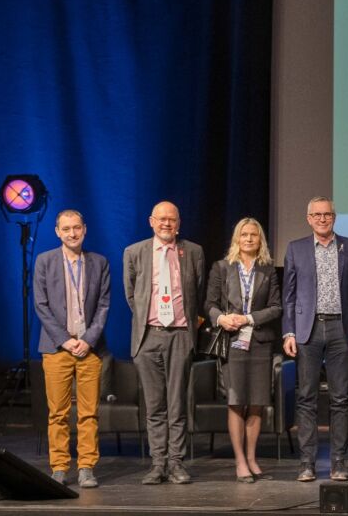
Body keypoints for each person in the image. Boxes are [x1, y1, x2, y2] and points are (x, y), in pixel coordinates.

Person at [123, 201, 206, 484]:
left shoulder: (193, 251)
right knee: (155, 404)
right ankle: (158, 464)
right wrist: (152, 320)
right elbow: (132, 296)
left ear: (178, 223)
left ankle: (177, 463)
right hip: (149, 336)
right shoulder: (134, 252)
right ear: (151, 221)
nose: (166, 224)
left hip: (181, 335)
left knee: (177, 403)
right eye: (161, 219)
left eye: (171, 219)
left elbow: (198, 290)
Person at [282, 196, 348, 482]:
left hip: (342, 329)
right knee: (307, 398)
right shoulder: (295, 249)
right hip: (308, 329)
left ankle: (339, 462)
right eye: (316, 215)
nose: (322, 219)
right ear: (308, 218)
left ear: (334, 217)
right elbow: (288, 296)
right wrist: (289, 331)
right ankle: (307, 463)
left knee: (340, 398)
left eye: (327, 214)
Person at [34, 209, 111, 488]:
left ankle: (87, 466)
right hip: (56, 349)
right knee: (58, 412)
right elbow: (41, 305)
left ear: (84, 229)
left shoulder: (99, 262)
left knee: (89, 412)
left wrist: (87, 340)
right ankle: (59, 467)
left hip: (90, 349)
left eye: (76, 227)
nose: (72, 233)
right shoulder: (44, 261)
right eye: (66, 229)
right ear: (57, 232)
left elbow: (103, 306)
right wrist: (65, 340)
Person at [206, 218, 283, 483]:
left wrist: (249, 318)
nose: (249, 239)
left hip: (259, 342)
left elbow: (276, 307)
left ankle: (252, 457)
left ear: (260, 240)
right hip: (233, 343)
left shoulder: (268, 270)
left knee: (258, 403)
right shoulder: (221, 268)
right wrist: (221, 318)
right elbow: (210, 304)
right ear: (236, 239)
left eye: (254, 235)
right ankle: (239, 461)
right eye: (244, 235)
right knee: (236, 401)